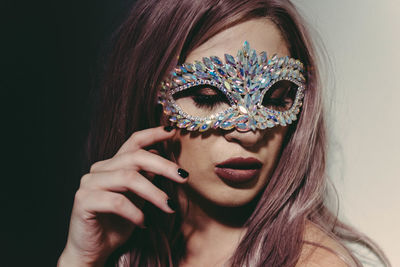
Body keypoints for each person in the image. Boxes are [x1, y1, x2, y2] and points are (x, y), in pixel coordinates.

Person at [57, 0, 390, 266]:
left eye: (274, 100)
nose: (247, 134)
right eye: (207, 98)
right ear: (149, 100)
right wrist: (80, 260)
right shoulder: (126, 247)